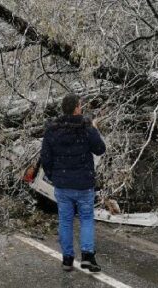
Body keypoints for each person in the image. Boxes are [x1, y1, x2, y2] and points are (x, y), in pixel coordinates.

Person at [41, 94, 106, 272]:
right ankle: (87, 255)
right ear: (77, 108)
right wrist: (94, 130)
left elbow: (45, 157)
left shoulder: (52, 129)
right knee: (86, 219)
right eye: (80, 106)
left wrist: (54, 176)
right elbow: (100, 149)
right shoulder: (85, 127)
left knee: (65, 220)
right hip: (84, 183)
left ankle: (67, 259)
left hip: (63, 184)